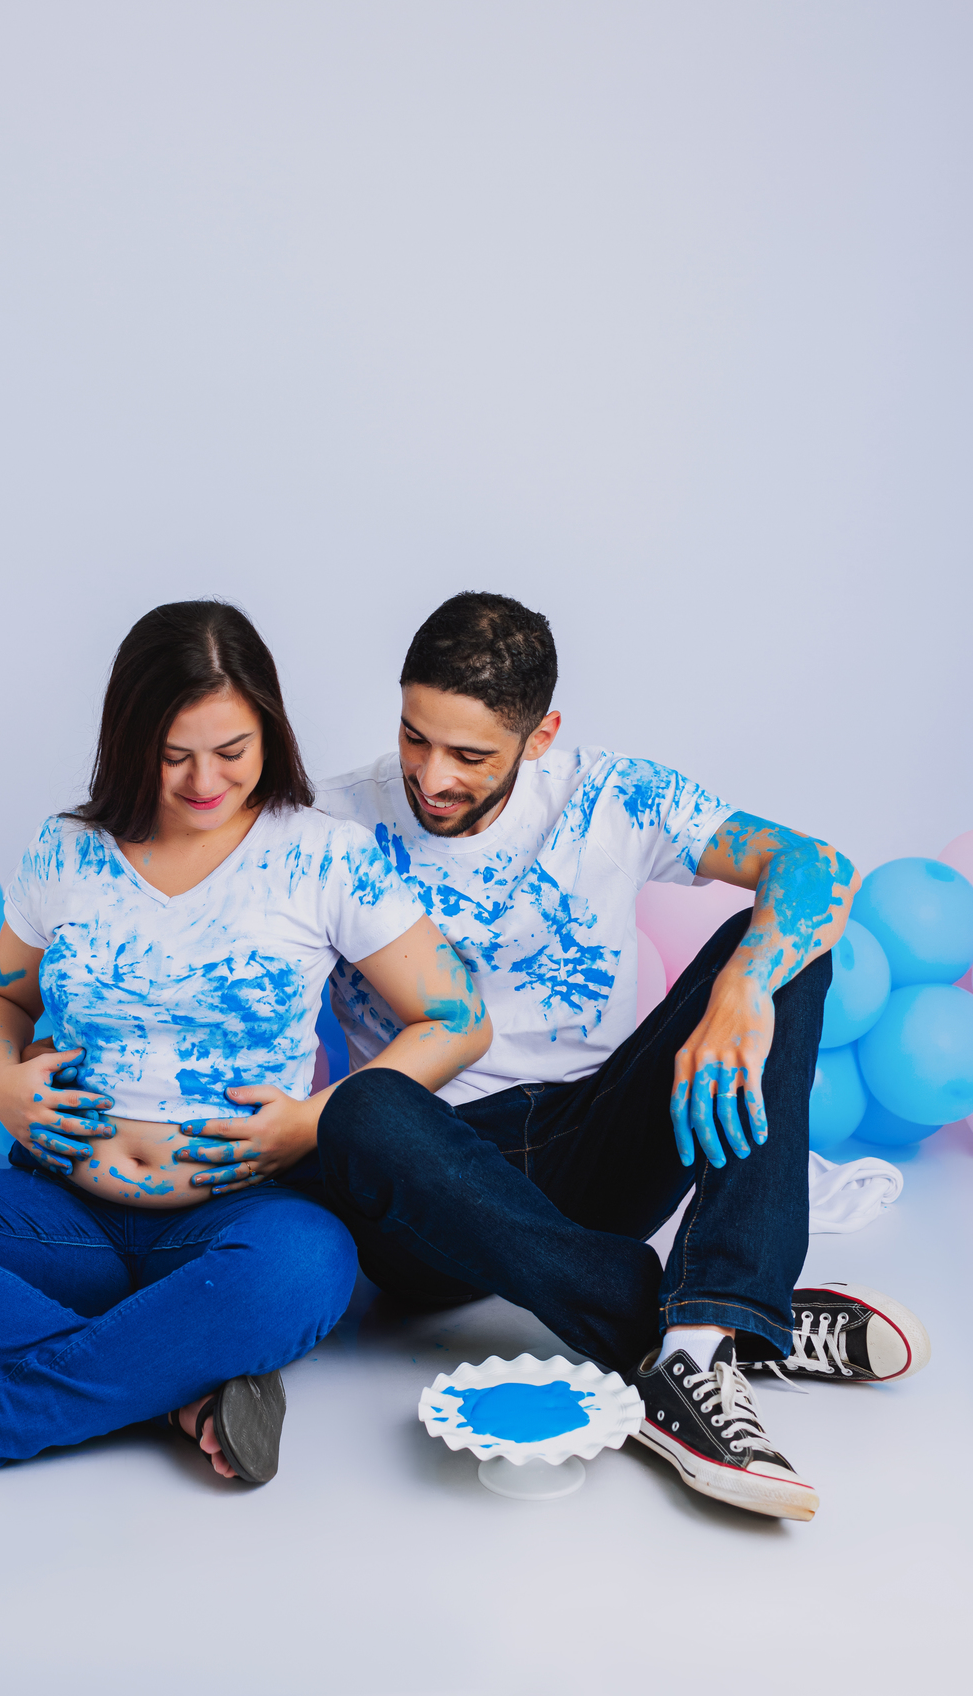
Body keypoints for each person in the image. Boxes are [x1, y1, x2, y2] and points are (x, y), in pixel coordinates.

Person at [175, 591, 930, 1523]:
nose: (431, 777)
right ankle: (718, 1329)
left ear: (541, 737)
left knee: (786, 950)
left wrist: (743, 988)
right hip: (430, 1182)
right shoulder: (326, 822)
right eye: (414, 737)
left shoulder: (615, 795)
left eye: (470, 756)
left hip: (594, 1144)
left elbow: (818, 866)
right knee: (363, 1107)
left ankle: (708, 1331)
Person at [0, 601, 490, 1498]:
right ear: (129, 739)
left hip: (238, 1217)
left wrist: (312, 1122)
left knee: (308, 1268)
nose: (204, 780)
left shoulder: (323, 856)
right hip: (63, 1210)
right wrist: (1, 1081)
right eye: (173, 752)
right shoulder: (68, 850)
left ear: (269, 732)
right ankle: (173, 1388)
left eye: (231, 750)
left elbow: (456, 1017)